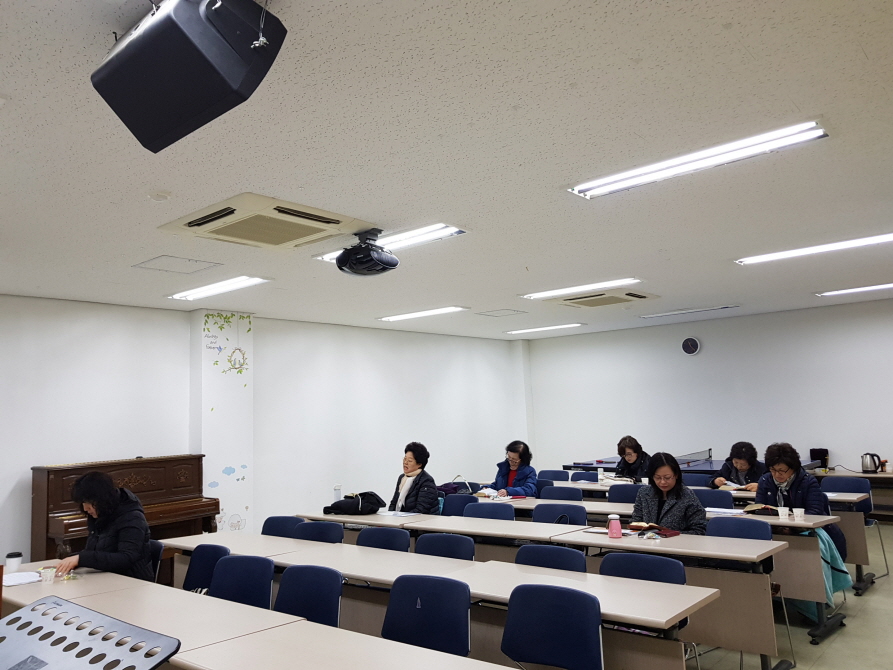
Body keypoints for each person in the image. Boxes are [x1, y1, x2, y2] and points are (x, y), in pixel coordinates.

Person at [754, 442, 847, 561]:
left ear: (793, 467)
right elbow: (759, 509)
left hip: (806, 531)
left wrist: (790, 525)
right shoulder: (765, 480)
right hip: (777, 530)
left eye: (782, 470)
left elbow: (815, 513)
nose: (777, 474)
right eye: (773, 470)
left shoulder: (808, 482)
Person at [55, 471, 154, 581]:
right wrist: (71, 560)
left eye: (88, 502)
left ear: (102, 499)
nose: (85, 508)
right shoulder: (100, 513)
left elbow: (126, 558)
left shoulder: (132, 517)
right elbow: (95, 551)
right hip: (105, 576)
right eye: (83, 502)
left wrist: (81, 558)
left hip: (132, 581)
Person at [631, 452, 707, 535]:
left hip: (677, 542)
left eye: (667, 477)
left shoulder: (687, 495)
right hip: (647, 541)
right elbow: (635, 523)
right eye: (658, 477)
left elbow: (700, 530)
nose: (663, 482)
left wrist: (669, 534)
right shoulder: (644, 493)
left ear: (676, 475)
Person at [388, 442, 440, 514]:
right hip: (402, 518)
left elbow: (421, 510)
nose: (405, 463)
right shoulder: (402, 478)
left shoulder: (427, 481)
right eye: (404, 459)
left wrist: (401, 518)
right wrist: (390, 516)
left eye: (409, 461)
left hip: (422, 519)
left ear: (419, 464)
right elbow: (394, 503)